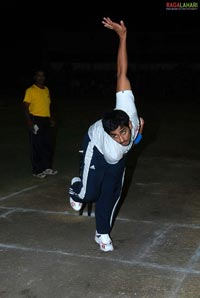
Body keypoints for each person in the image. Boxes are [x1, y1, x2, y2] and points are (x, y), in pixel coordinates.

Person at [69, 17, 144, 252]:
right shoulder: (113, 147)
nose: (121, 137)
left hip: (117, 155)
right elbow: (124, 146)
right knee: (91, 192)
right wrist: (136, 136)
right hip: (96, 146)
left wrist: (122, 37)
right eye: (116, 135)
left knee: (111, 195)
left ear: (129, 124)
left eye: (123, 132)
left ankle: (102, 233)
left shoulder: (128, 109)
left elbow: (122, 70)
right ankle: (76, 188)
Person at [23, 69, 58, 178]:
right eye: (38, 76)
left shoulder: (46, 89)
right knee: (36, 146)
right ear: (35, 77)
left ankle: (47, 167)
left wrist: (51, 118)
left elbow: (48, 105)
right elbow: (25, 107)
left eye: (42, 76)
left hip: (46, 120)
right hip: (35, 119)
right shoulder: (30, 90)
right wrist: (29, 122)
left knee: (48, 145)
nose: (41, 77)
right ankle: (37, 170)